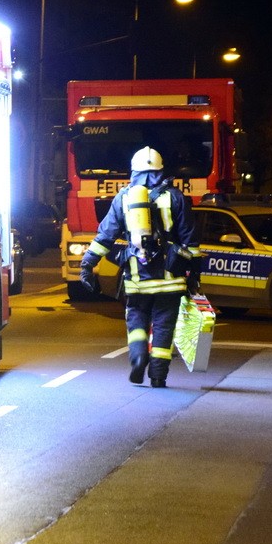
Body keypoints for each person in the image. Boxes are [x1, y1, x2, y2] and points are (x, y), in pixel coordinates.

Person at [79, 146, 200, 388]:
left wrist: (87, 265)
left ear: (133, 171)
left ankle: (137, 356)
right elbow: (191, 241)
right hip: (170, 280)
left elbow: (105, 236)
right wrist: (193, 275)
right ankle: (158, 375)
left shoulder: (124, 198)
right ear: (161, 170)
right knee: (164, 325)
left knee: (136, 320)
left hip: (136, 278)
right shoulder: (175, 197)